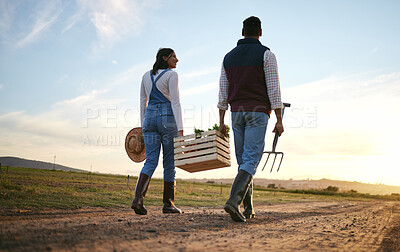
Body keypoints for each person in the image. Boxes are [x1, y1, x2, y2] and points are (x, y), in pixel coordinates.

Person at [218, 16, 284, 222]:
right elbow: (274, 89)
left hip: (236, 113)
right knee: (251, 159)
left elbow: (223, 92)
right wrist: (279, 119)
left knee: (243, 160)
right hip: (257, 112)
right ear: (260, 32)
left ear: (242, 31)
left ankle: (248, 208)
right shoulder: (267, 54)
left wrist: (221, 121)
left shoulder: (228, 57)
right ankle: (233, 201)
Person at [131, 48, 184, 215]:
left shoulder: (145, 76)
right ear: (164, 58)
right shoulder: (172, 75)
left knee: (150, 161)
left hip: (149, 119)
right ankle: (168, 204)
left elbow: (142, 101)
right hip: (167, 119)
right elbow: (175, 101)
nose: (177, 59)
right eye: (173, 56)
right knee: (169, 162)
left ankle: (138, 200)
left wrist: (142, 125)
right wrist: (181, 128)